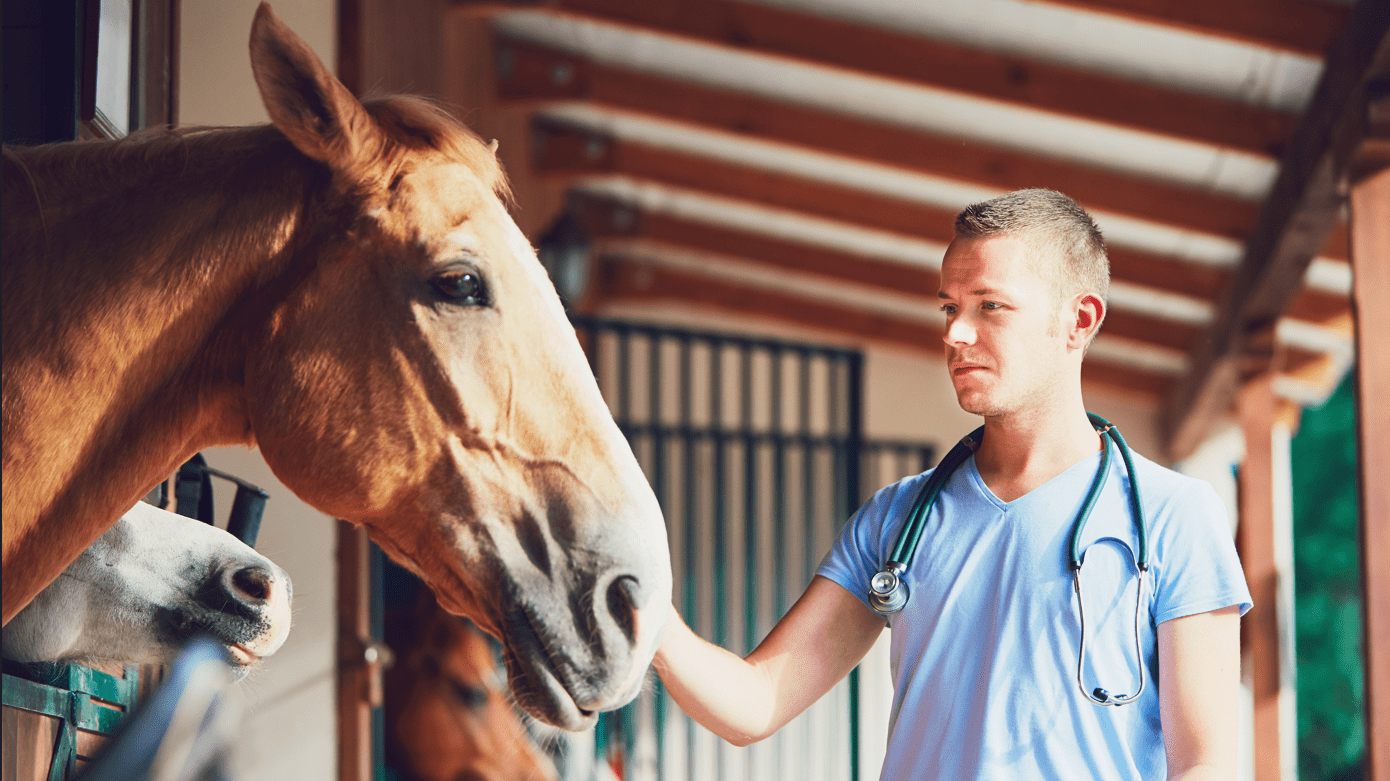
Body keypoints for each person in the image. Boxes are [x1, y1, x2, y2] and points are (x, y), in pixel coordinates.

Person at [652, 189, 1252, 780]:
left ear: (1079, 320)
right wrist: (647, 615)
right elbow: (754, 704)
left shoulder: (1173, 517)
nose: (955, 334)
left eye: (990, 306)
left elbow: (1204, 765)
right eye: (949, 308)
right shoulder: (896, 519)